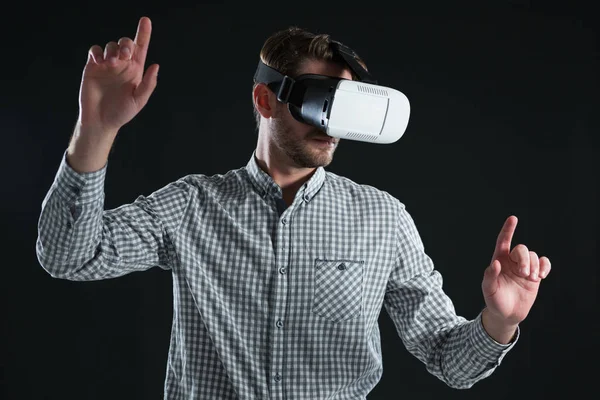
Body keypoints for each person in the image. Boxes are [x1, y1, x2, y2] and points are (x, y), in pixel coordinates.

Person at [36, 16, 551, 400]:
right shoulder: (192, 204)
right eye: (316, 102)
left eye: (343, 106)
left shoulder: (383, 220)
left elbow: (449, 360)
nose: (330, 125)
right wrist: (96, 128)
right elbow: (68, 256)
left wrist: (498, 321)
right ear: (265, 101)